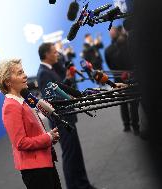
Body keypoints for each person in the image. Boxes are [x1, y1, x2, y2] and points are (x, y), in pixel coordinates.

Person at [0, 58, 62, 189]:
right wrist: (48, 137)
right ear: (8, 82)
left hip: (44, 163)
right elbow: (20, 142)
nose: (25, 75)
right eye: (19, 73)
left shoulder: (23, 100)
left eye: (23, 71)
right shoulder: (11, 106)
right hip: (36, 170)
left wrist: (49, 137)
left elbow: (33, 132)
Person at [37, 42, 97, 189]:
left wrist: (68, 79)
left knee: (76, 153)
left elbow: (58, 89)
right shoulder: (43, 73)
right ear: (46, 55)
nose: (57, 54)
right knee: (70, 155)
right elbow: (51, 100)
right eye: (54, 52)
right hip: (61, 120)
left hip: (67, 118)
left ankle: (83, 185)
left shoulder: (50, 70)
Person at [104, 27, 140, 135]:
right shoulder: (123, 47)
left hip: (123, 79)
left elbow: (110, 65)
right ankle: (133, 126)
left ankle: (128, 125)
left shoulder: (109, 50)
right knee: (129, 103)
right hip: (126, 78)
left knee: (125, 103)